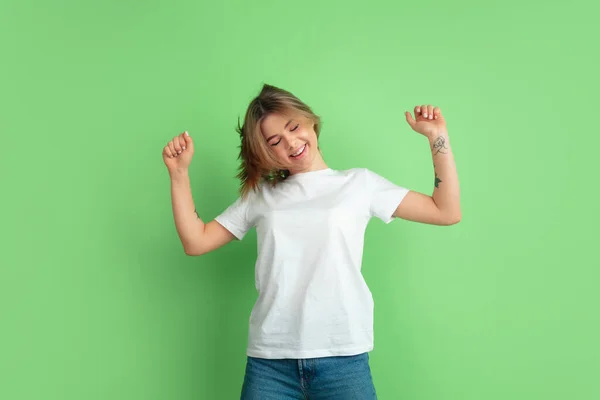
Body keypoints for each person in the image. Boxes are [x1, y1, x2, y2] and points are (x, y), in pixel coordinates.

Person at [162, 84, 461, 399]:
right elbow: (196, 241)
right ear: (265, 152)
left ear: (310, 121)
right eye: (274, 141)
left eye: (294, 127)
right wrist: (179, 175)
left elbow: (446, 210)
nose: (291, 142)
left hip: (343, 358)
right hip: (270, 364)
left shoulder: (359, 184)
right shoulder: (261, 196)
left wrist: (437, 138)